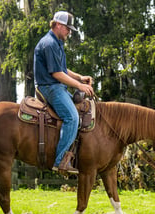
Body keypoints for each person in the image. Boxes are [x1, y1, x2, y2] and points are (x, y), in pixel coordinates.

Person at [33, 11, 94, 174]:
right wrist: (80, 86)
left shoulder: (56, 42)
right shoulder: (49, 43)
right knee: (72, 117)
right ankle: (60, 161)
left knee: (82, 109)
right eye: (68, 28)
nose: (69, 32)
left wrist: (80, 78)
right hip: (50, 87)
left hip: (57, 86)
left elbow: (63, 69)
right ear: (58, 25)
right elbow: (57, 74)